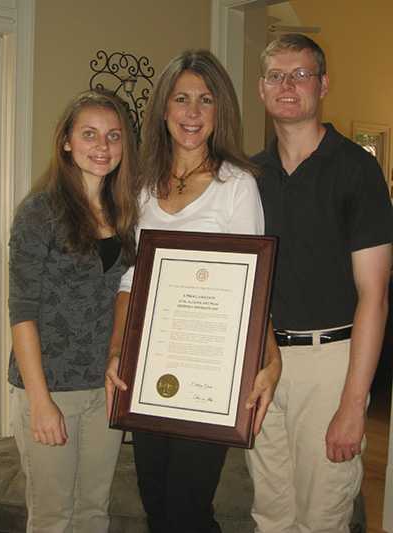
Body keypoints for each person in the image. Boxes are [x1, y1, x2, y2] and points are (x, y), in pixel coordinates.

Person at [105, 49, 282, 533]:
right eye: (182, 99)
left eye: (206, 100)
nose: (192, 112)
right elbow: (129, 281)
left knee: (188, 510)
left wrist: (270, 360)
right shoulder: (140, 186)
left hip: (210, 375)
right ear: (164, 109)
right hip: (150, 369)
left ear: (219, 111)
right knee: (156, 503)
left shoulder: (236, 185)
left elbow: (253, 284)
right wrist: (118, 352)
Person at [246, 33, 393, 533]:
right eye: (276, 76)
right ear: (262, 89)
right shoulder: (247, 176)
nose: (288, 85)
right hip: (262, 364)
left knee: (323, 517)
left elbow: (375, 296)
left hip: (330, 363)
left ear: (323, 84)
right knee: (270, 514)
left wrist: (353, 405)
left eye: (300, 74)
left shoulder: (357, 170)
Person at [8, 89, 138, 532]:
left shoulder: (125, 213)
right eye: (89, 134)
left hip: (103, 386)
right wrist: (40, 401)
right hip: (51, 387)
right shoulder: (39, 213)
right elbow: (22, 312)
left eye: (113, 136)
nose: (103, 147)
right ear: (66, 141)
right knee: (52, 516)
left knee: (93, 512)